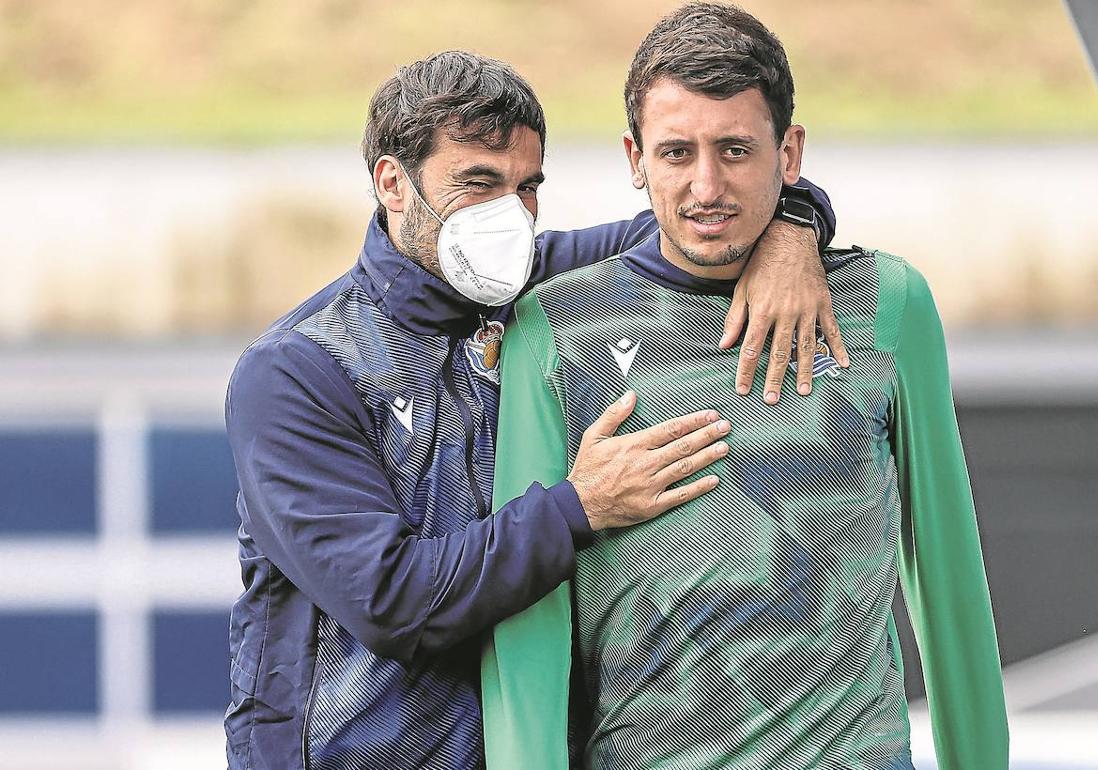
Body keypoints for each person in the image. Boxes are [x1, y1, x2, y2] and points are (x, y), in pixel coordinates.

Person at [223, 48, 846, 769]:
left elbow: (702, 221)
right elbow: (394, 600)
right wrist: (580, 506)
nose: (507, 216)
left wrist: (794, 229)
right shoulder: (297, 371)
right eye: (478, 183)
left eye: (526, 187)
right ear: (393, 184)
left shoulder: (539, 285)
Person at [481, 5, 1009, 769]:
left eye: (736, 149)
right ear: (634, 158)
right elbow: (528, 623)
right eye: (676, 152)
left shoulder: (889, 305)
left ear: (789, 152)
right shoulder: (553, 329)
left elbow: (949, 574)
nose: (707, 185)